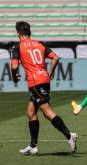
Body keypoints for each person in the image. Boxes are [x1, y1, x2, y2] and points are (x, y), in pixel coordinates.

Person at [11, 21, 77, 155]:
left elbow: (14, 66)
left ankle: (69, 136)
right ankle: (33, 146)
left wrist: (14, 76)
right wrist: (49, 73)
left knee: (47, 111)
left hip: (35, 83)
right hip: (44, 80)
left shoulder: (18, 47)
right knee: (30, 112)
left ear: (18, 33)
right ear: (30, 32)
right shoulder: (40, 44)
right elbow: (56, 58)